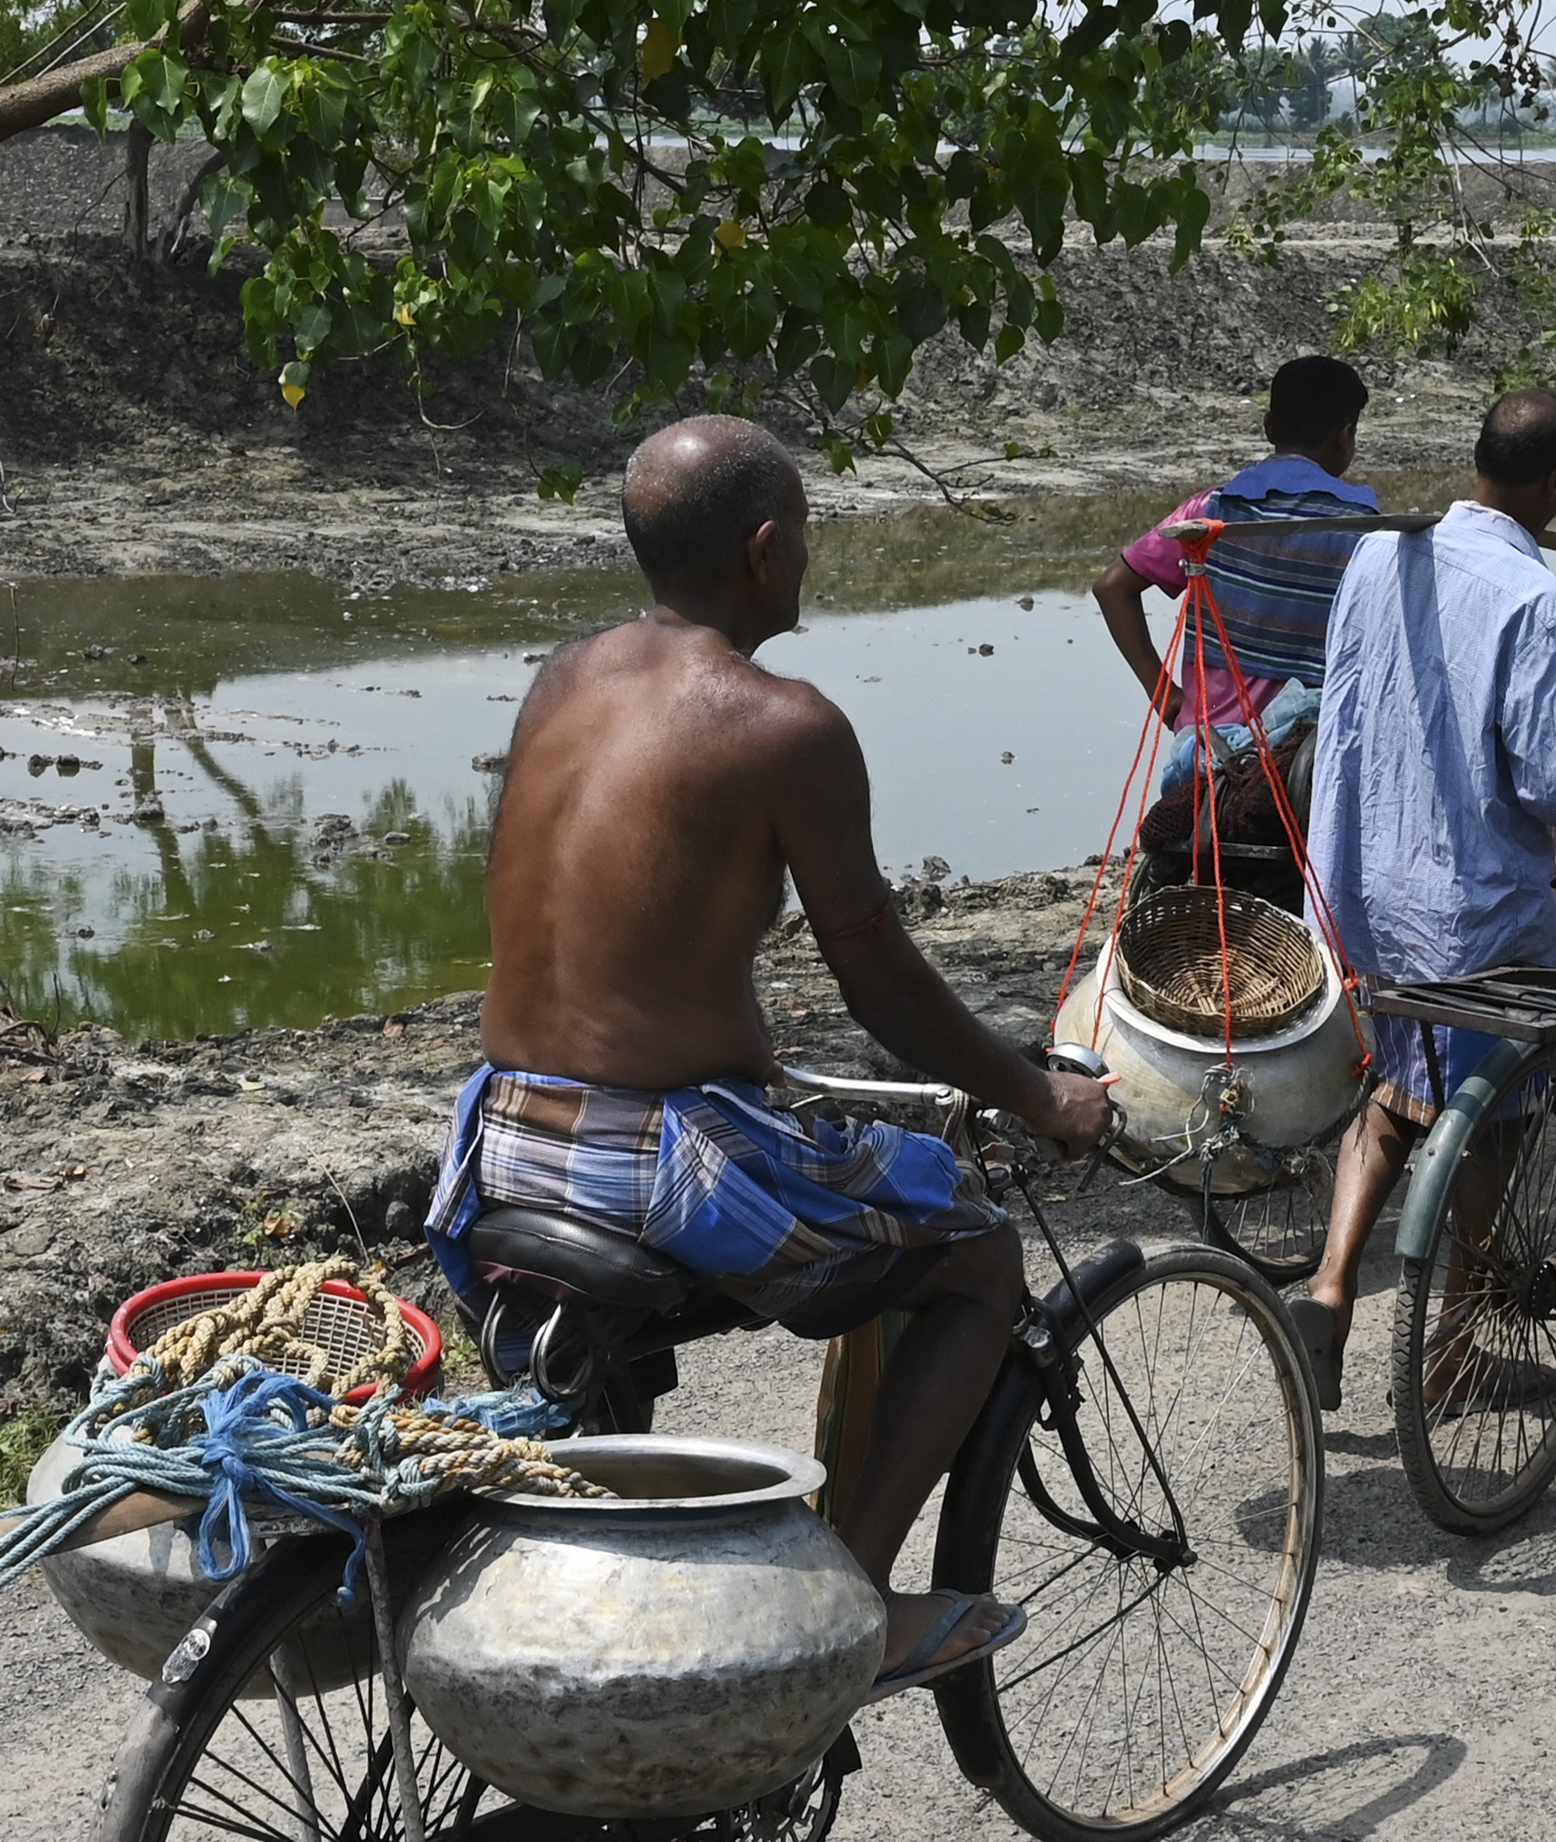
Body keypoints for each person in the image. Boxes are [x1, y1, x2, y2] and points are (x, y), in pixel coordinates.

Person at [442, 414, 1113, 1695]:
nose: (807, 555)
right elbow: (882, 984)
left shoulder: (562, 678)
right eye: (802, 532)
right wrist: (1039, 1095)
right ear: (763, 548)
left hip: (503, 1136)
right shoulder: (784, 726)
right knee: (975, 1255)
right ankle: (849, 1611)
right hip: (649, 1160)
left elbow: (613, 938)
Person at [1279, 385, 1556, 1404]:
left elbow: (1352, 705)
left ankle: (1329, 1285)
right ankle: (1456, 1337)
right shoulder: (1535, 602)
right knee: (1493, 1106)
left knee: (1399, 1081)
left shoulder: (1383, 552)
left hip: (1367, 888)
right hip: (1471, 909)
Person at [1089, 353, 1379, 748]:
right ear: (1345, 437)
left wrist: (1164, 695)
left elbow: (1112, 587)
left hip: (1210, 753)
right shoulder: (1364, 529)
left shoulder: (1209, 512)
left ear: (1268, 425)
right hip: (1315, 751)